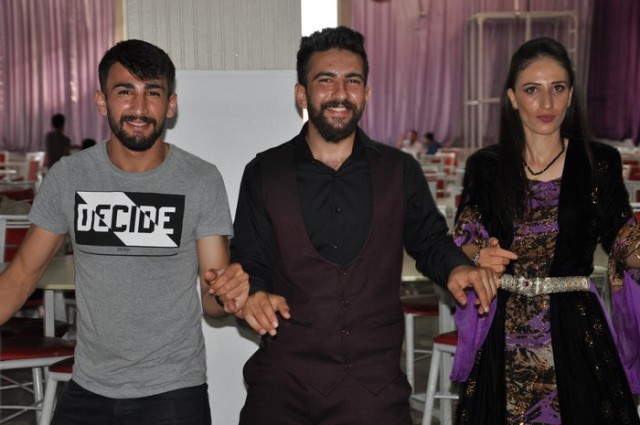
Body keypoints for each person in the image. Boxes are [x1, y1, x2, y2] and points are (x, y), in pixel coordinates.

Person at [230, 26, 498, 424]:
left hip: (374, 388)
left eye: (352, 81)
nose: (340, 93)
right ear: (301, 94)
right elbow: (249, 261)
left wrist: (457, 268)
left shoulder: (399, 170)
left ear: (367, 94)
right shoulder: (264, 173)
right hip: (284, 386)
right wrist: (254, 295)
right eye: (326, 80)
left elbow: (430, 241)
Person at [0, 39, 250, 425]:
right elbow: (19, 278)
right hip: (89, 386)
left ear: (171, 105)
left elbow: (212, 301)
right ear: (102, 102)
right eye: (125, 91)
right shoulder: (69, 177)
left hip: (174, 391)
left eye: (153, 92)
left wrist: (227, 295)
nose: (139, 107)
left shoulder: (200, 179)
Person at [451, 37, 640, 424]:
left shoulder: (598, 161)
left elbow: (623, 239)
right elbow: (464, 236)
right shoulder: (486, 166)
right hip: (504, 328)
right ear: (512, 97)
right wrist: (479, 255)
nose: (547, 102)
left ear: (570, 95)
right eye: (532, 90)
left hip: (575, 328)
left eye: (557, 88)